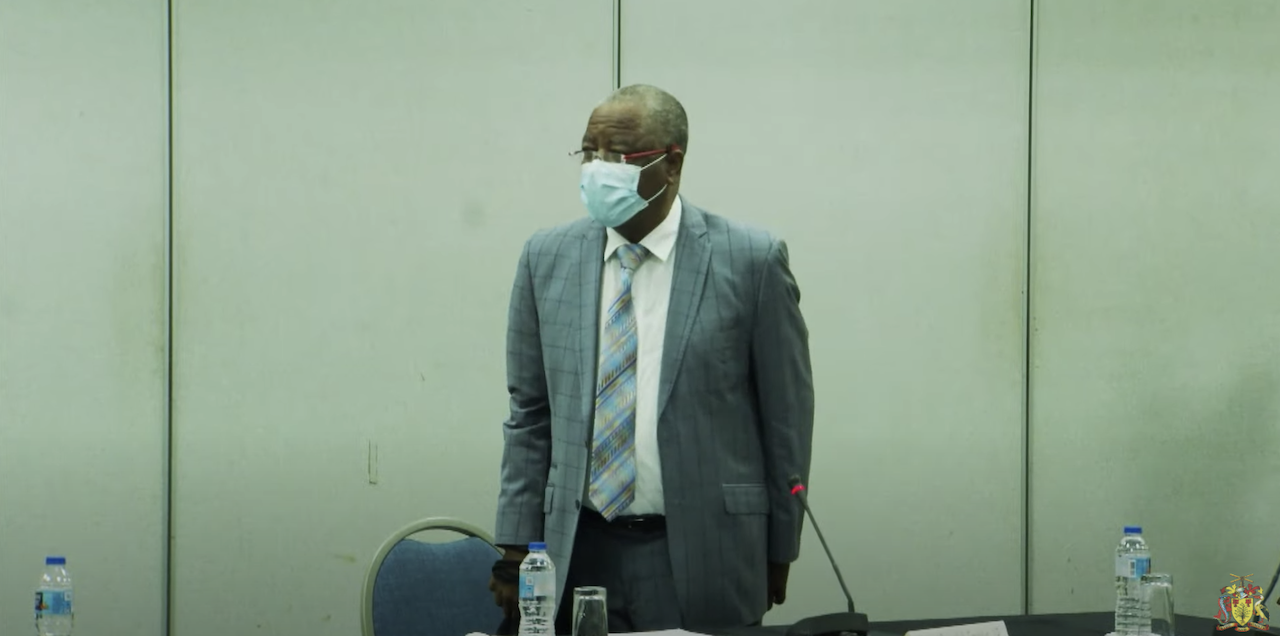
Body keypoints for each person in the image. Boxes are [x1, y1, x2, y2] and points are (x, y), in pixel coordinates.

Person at [489, 84, 814, 632]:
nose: (597, 168)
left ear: (672, 164)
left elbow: (786, 421)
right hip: (577, 546)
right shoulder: (546, 258)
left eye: (617, 155)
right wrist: (515, 543)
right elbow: (530, 415)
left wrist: (781, 546)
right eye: (589, 151)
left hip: (703, 549)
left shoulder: (751, 261)